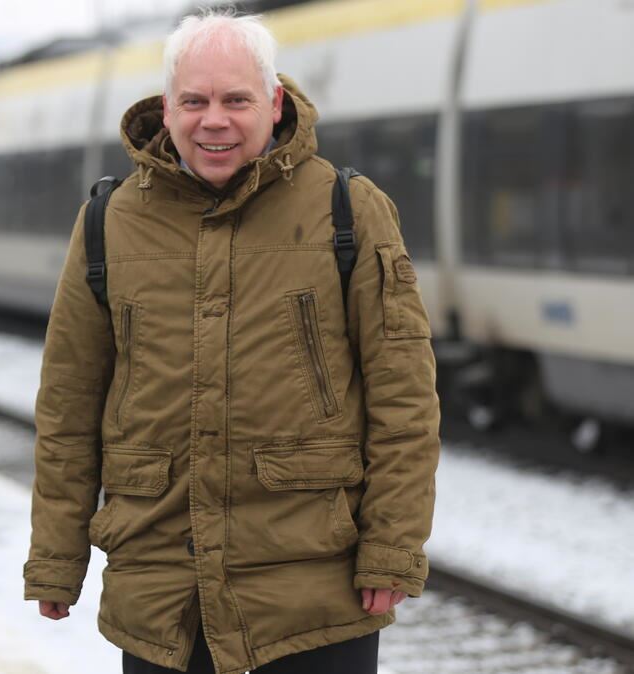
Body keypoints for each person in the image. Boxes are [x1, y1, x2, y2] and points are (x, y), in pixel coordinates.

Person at [24, 10, 440, 674]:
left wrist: (391, 547)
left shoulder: (349, 209)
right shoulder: (107, 223)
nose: (213, 120)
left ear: (274, 104)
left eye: (236, 100)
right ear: (167, 109)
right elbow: (69, 409)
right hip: (163, 591)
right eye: (194, 100)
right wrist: (55, 558)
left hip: (315, 596)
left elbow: (405, 400)